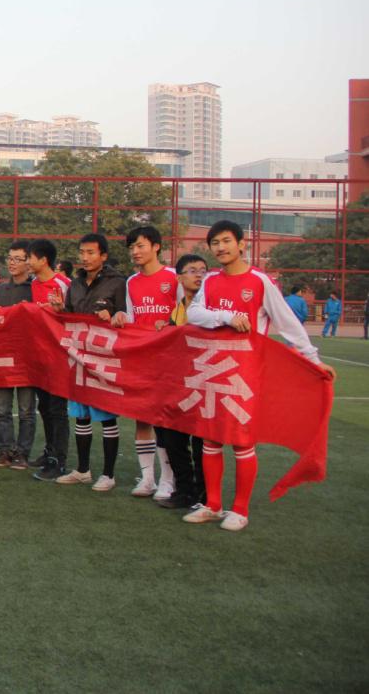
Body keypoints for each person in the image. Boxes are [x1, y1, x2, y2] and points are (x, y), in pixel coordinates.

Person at [186, 220, 335, 531]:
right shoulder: (210, 281)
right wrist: (227, 316)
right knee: (211, 438)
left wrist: (313, 359)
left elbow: (287, 323)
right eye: (215, 243)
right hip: (212, 369)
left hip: (245, 373)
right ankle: (213, 505)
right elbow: (193, 313)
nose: (221, 248)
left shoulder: (260, 281)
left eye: (226, 241)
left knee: (242, 441)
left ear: (242, 244)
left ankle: (240, 510)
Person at [53, 233, 127, 490]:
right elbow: (71, 317)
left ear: (103, 256)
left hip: (105, 359)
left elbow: (126, 316)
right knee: (81, 416)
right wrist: (60, 310)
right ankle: (83, 469)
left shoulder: (118, 282)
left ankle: (108, 475)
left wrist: (116, 315)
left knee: (107, 417)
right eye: (82, 252)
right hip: (79, 358)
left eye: (91, 253)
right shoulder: (75, 284)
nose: (85, 257)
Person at [111, 226, 179, 498]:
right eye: (132, 248)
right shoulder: (131, 282)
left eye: (140, 246)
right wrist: (120, 317)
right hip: (143, 358)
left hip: (170, 359)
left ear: (156, 246)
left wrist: (170, 325)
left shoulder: (173, 277)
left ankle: (168, 480)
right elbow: (131, 316)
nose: (135, 252)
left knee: (166, 420)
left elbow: (186, 313)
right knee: (142, 418)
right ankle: (147, 478)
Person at [159, 253, 210, 510]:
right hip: (179, 384)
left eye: (203, 270)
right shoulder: (177, 310)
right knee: (172, 436)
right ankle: (184, 490)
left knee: (202, 442)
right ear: (179, 277)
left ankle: (204, 495)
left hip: (205, 383)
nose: (198, 275)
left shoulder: (210, 310)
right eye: (192, 270)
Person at [0, 240, 36, 469]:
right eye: (10, 258)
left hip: (27, 358)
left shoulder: (36, 289)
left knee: (26, 410)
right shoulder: (0, 289)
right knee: (1, 409)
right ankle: (5, 451)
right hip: (2, 357)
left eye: (18, 259)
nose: (12, 263)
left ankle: (23, 454)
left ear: (29, 262)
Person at [27, 238, 72, 481]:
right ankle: (49, 452)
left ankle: (59, 461)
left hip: (60, 356)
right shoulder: (34, 284)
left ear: (43, 260)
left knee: (57, 409)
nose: (27, 262)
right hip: (39, 355)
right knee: (44, 406)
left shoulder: (64, 284)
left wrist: (62, 310)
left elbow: (74, 315)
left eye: (30, 257)